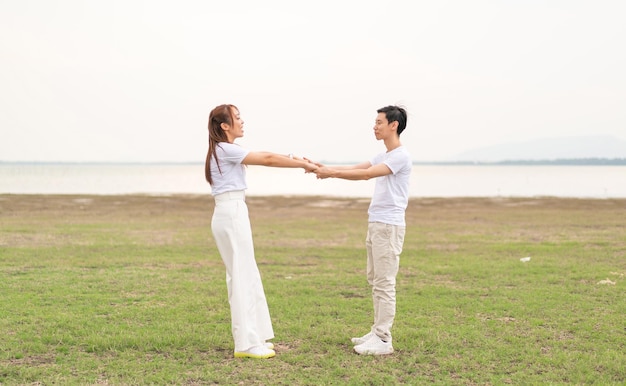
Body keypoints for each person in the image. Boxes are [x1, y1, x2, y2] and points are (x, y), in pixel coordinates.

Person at [205, 104, 318, 359]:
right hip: (231, 212)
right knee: (241, 277)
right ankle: (245, 344)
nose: (242, 121)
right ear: (224, 126)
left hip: (232, 211)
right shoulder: (225, 149)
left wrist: (297, 159)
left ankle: (254, 337)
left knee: (247, 274)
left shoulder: (223, 149)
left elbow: (265, 154)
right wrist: (301, 164)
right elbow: (266, 158)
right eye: (237, 118)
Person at [314, 105, 411, 355]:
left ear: (394, 125)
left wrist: (331, 173)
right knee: (375, 280)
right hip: (377, 223)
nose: (375, 126)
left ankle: (383, 339)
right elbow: (357, 168)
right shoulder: (385, 155)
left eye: (379, 122)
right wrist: (323, 168)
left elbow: (367, 175)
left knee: (384, 283)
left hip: (389, 226)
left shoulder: (400, 156)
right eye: (375, 122)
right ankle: (376, 331)